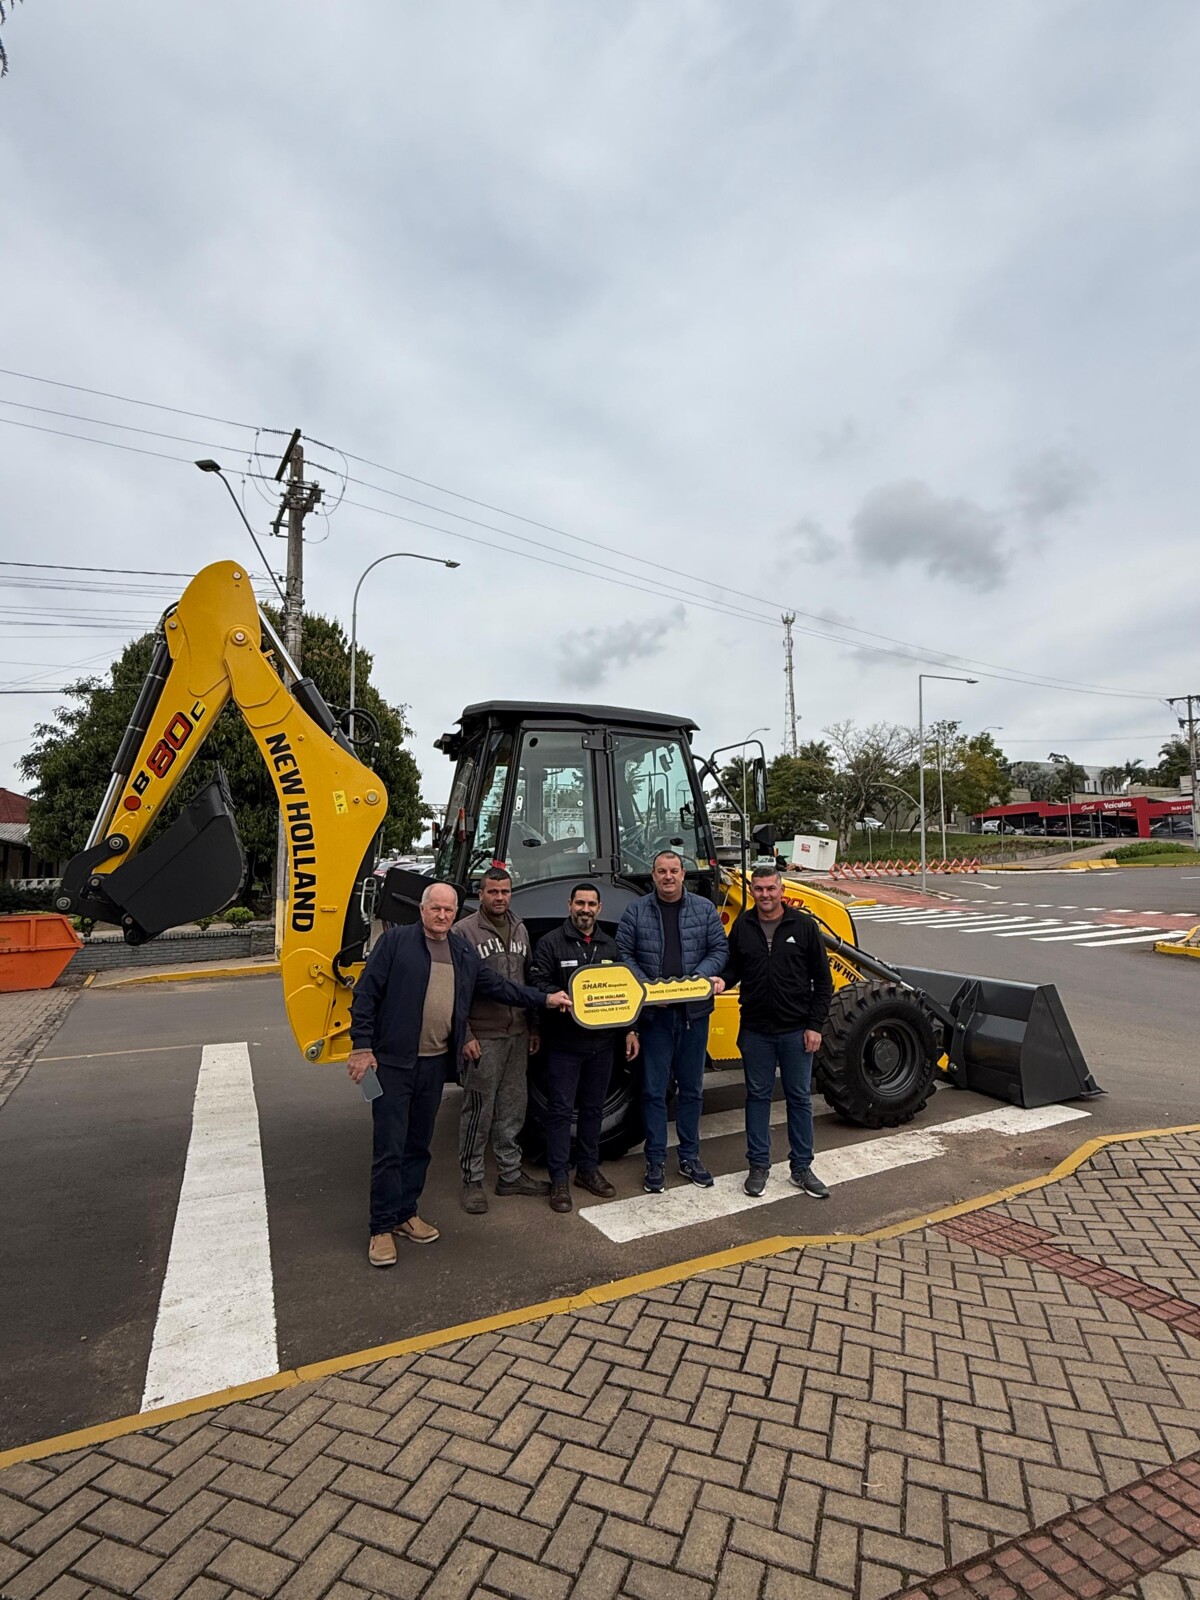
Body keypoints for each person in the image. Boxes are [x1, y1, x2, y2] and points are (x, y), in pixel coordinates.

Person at [348, 881, 570, 1267]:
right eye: (436, 908)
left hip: (434, 1065)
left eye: (449, 910)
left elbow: (500, 987)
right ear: (422, 909)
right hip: (393, 1065)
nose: (442, 916)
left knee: (419, 1144)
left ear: (455, 913)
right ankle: (381, 1227)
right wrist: (362, 1047)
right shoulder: (396, 943)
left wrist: (544, 999)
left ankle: (405, 1215)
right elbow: (367, 995)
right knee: (390, 1147)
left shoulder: (461, 951)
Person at [615, 850, 728, 1194]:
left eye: (674, 871)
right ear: (653, 875)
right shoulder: (636, 910)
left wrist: (699, 979)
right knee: (653, 1092)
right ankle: (655, 1160)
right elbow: (624, 955)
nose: (668, 877)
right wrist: (647, 990)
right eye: (661, 871)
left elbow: (719, 951)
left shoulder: (704, 909)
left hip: (694, 1014)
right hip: (656, 1017)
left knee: (692, 1091)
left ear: (683, 874)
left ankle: (690, 1157)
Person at [721, 864, 833, 1199]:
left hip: (796, 1031)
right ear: (752, 891)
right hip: (756, 1030)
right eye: (759, 889)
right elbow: (732, 970)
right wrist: (716, 981)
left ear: (782, 890)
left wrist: (815, 1026)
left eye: (771, 888)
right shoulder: (743, 925)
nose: (765, 895)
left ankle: (801, 1167)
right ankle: (759, 1166)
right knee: (757, 1098)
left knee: (799, 1098)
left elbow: (823, 982)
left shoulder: (804, 926)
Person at [529, 883, 639, 1213]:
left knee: (593, 1110)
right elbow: (537, 983)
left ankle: (588, 1171)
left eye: (591, 904)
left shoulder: (610, 945)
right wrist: (555, 996)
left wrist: (631, 1030)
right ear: (570, 905)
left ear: (599, 908)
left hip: (602, 1046)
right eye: (580, 903)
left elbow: (624, 991)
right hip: (563, 1045)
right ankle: (559, 1178)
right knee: (561, 1112)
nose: (585, 909)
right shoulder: (550, 942)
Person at [454, 866, 548, 1214]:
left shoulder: (521, 927)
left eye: (505, 892)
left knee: (513, 1109)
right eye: (493, 892)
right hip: (484, 1038)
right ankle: (471, 1179)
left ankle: (510, 1174)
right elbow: (457, 992)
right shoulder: (463, 933)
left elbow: (528, 981)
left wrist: (534, 1026)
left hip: (518, 1034)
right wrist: (465, 1035)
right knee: (479, 1110)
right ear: (481, 894)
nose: (499, 898)